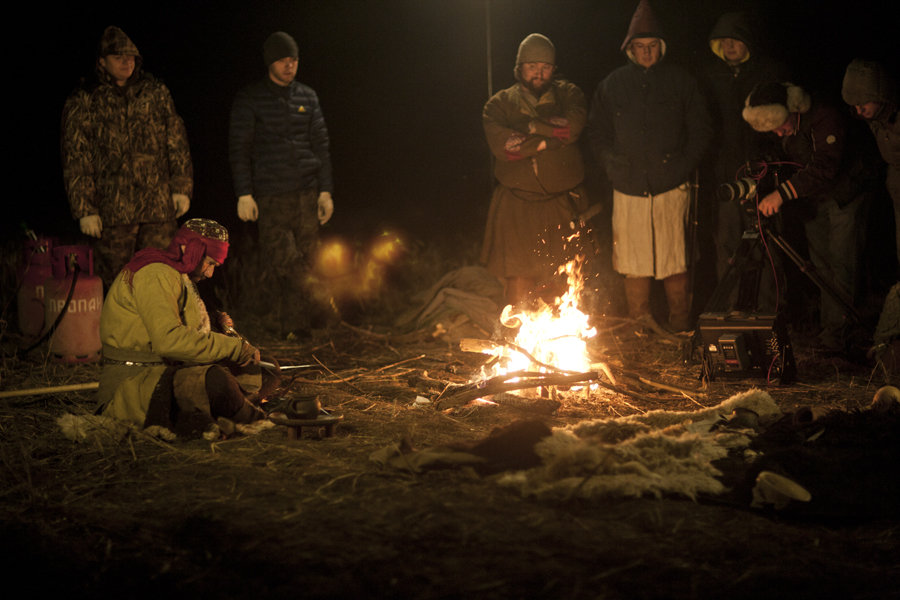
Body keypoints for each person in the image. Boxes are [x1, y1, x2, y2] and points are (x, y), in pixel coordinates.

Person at [588, 0, 711, 332]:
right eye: (640, 47)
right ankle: (641, 324)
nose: (646, 53)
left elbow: (702, 131)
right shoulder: (612, 85)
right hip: (628, 186)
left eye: (652, 46)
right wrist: (612, 163)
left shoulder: (681, 82)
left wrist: (681, 165)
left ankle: (681, 325)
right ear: (630, 49)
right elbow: (596, 133)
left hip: (671, 185)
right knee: (633, 260)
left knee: (675, 259)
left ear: (661, 47)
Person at [97, 218, 267, 438]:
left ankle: (227, 408)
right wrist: (233, 347)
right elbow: (169, 341)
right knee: (216, 381)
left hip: (169, 369)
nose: (209, 273)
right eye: (209, 263)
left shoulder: (178, 275)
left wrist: (216, 326)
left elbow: (187, 332)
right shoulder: (156, 274)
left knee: (267, 365)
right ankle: (250, 417)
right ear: (189, 249)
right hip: (136, 382)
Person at [743, 81, 871, 351]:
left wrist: (781, 194)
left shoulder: (824, 116)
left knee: (842, 263)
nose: (778, 133)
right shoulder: (787, 129)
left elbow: (825, 167)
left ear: (791, 110)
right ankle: (831, 329)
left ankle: (842, 334)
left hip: (843, 195)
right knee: (821, 267)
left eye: (779, 125)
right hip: (814, 200)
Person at [61, 25, 193, 288]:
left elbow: (176, 142)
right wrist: (85, 209)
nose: (126, 62)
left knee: (161, 278)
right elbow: (76, 156)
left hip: (157, 208)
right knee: (116, 283)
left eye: (131, 57)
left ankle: (159, 329)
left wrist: (181, 188)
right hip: (113, 211)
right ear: (102, 61)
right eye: (119, 57)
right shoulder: (85, 99)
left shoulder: (155, 92)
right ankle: (119, 330)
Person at [228, 31, 335, 337]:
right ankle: (310, 309)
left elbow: (321, 145)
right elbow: (240, 148)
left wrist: (326, 191)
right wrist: (244, 193)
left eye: (294, 60)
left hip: (306, 193)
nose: (289, 66)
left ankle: (299, 330)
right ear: (269, 63)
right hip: (271, 195)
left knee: (308, 260)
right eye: (282, 61)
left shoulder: (307, 97)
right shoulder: (250, 99)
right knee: (284, 262)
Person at [480, 33, 589, 308]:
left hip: (561, 202)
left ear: (554, 69)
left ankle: (557, 344)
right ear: (519, 68)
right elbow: (505, 147)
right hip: (516, 205)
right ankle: (517, 341)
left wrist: (529, 129)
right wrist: (550, 140)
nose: (539, 73)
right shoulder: (498, 105)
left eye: (546, 67)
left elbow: (572, 127)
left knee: (561, 277)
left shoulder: (569, 94)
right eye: (532, 67)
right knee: (517, 280)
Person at [700, 11, 791, 280]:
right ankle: (728, 314)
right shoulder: (710, 77)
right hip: (725, 175)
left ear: (748, 41)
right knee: (727, 244)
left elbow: (784, 124)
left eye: (736, 40)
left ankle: (771, 312)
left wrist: (770, 162)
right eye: (724, 41)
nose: (729, 46)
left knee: (767, 242)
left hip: (762, 174)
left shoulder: (769, 72)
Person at [841, 59, 900, 266]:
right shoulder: (874, 118)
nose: (859, 110)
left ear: (880, 96)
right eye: (855, 106)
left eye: (863, 104)